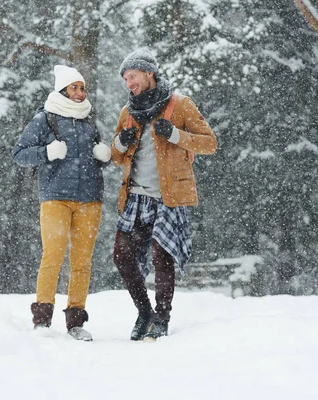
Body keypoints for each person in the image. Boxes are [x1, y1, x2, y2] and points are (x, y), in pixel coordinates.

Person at [111, 48, 217, 341]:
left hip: (167, 197)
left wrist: (175, 136)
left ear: (149, 73)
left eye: (132, 76)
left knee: (162, 256)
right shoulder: (127, 112)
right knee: (121, 256)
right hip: (134, 197)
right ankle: (144, 312)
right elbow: (115, 156)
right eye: (125, 79)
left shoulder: (180, 105)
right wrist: (121, 141)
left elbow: (210, 143)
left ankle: (162, 317)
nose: (129, 83)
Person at [12, 65, 111, 341]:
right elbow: (19, 154)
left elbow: (101, 153)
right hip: (55, 197)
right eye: (74, 88)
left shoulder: (90, 121)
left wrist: (104, 155)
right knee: (53, 256)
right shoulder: (45, 119)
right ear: (62, 90)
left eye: (82, 88)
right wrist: (47, 152)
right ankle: (42, 321)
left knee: (82, 262)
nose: (80, 93)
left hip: (90, 199)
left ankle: (76, 321)